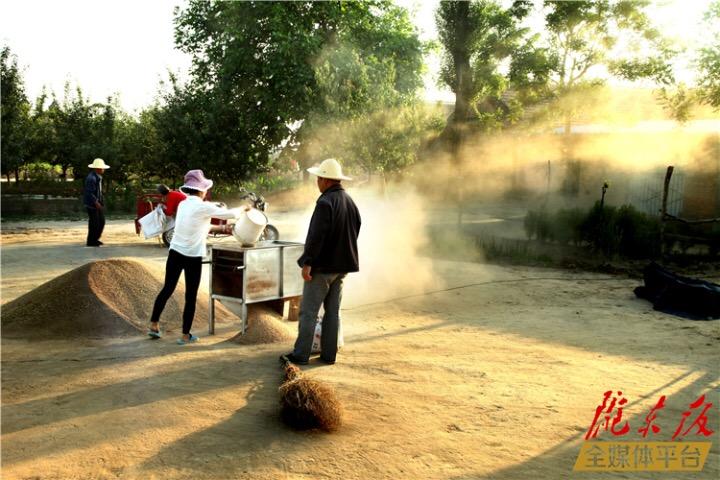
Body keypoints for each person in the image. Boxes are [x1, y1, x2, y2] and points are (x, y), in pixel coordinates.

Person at [148, 169, 245, 345]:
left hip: (175, 252)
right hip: (192, 256)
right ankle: (185, 335)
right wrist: (245, 207)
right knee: (190, 295)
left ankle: (153, 324)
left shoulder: (184, 204)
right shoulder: (203, 206)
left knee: (167, 288)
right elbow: (231, 214)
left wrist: (221, 226)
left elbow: (199, 225)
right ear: (201, 190)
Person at [282, 158, 361, 365]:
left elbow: (316, 236)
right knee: (333, 312)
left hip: (322, 268)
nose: (317, 182)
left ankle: (300, 355)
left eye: (319, 178)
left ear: (326, 180)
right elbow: (355, 229)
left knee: (308, 312)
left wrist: (308, 263)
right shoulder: (350, 201)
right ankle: (328, 355)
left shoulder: (325, 202)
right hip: (342, 268)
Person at [83, 158, 110, 246]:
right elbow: (89, 192)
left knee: (101, 221)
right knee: (94, 223)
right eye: (102, 168)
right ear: (98, 168)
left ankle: (95, 239)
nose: (103, 170)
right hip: (92, 204)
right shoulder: (91, 178)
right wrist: (96, 202)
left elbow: (98, 192)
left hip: (96, 203)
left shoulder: (97, 177)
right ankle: (91, 241)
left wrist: (100, 201)